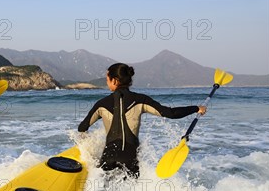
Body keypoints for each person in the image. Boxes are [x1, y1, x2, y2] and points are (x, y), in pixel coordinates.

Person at [78, 63, 207, 177]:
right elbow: (170, 113)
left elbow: (82, 127)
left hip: (109, 156)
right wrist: (196, 108)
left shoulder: (101, 104)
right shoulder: (141, 100)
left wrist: (90, 148)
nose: (107, 83)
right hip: (130, 157)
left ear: (115, 81)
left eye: (107, 80)